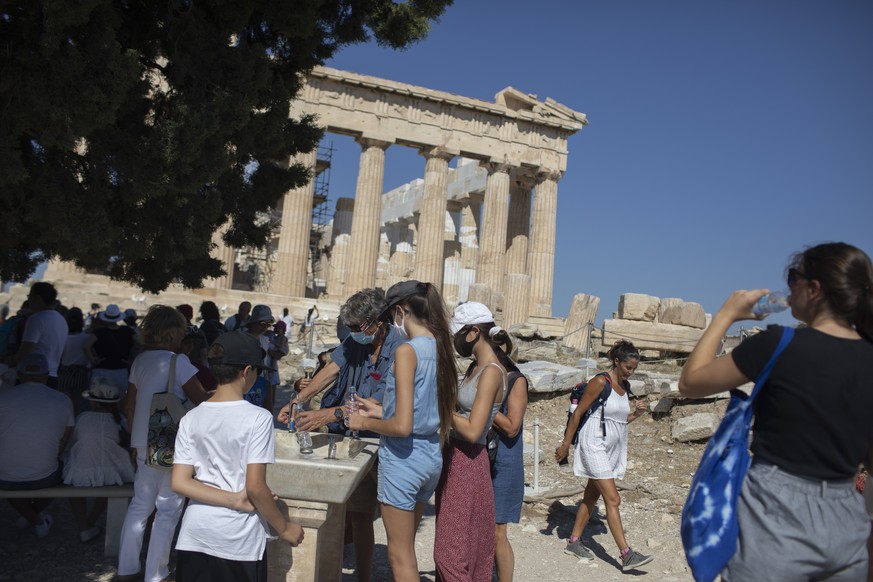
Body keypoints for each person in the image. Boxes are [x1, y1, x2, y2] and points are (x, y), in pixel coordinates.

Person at [678, 242, 873, 581]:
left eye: (793, 277)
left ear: (814, 289)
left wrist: (726, 314)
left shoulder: (778, 344)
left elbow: (691, 383)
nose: (789, 286)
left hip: (776, 511)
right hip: (847, 516)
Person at [276, 288, 404, 582]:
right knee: (358, 515)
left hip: (385, 441)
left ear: (377, 321)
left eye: (358, 327)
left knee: (392, 519)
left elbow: (383, 404)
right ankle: (362, 576)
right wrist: (300, 400)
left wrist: (328, 413)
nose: (354, 333)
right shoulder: (355, 340)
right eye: (351, 328)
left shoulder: (400, 350)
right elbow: (332, 368)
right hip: (353, 438)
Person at [348, 280, 458, 582]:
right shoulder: (440, 348)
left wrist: (363, 422)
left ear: (400, 311)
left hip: (403, 461)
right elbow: (423, 412)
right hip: (429, 457)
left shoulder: (407, 351)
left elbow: (402, 426)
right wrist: (380, 410)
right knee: (406, 548)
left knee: (399, 555)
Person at [172, 331, 304, 581]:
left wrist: (233, 498)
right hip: (237, 538)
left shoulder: (191, 417)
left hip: (195, 534)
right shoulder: (258, 418)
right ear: (247, 371)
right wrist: (285, 528)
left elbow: (180, 482)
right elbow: (255, 487)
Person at [116, 305, 209, 582]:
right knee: (168, 509)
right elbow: (201, 399)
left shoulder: (140, 361)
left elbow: (129, 404)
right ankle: (156, 573)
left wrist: (134, 440)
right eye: (181, 329)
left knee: (140, 506)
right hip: (170, 442)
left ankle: (126, 568)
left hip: (142, 441)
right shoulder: (177, 362)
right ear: (171, 333)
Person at [554, 340, 651, 572]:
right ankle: (627, 555)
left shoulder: (625, 387)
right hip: (593, 445)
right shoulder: (600, 382)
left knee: (590, 498)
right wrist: (566, 444)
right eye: (628, 367)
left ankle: (574, 542)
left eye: (634, 368)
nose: (631, 371)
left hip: (611, 449)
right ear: (616, 361)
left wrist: (636, 414)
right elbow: (578, 414)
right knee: (613, 499)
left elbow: (619, 421)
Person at [433, 302, 506, 581]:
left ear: (473, 332)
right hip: (456, 458)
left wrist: (439, 408)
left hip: (468, 461)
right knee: (464, 548)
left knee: (449, 554)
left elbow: (475, 430)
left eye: (458, 335)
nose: (456, 341)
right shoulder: (475, 368)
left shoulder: (490, 372)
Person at [0, 354, 74, 538]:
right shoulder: (63, 399)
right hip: (45, 476)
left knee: (11, 478)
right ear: (46, 374)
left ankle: (31, 517)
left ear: (19, 373)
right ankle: (36, 518)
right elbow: (61, 446)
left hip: (4, 477)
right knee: (63, 473)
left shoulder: (3, 397)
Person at [64, 376, 135, 543]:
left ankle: (83, 526)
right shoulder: (121, 422)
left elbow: (71, 445)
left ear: (93, 402)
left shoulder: (82, 419)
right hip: (114, 474)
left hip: (81, 474)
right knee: (110, 484)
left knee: (73, 485)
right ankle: (91, 522)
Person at [486, 326, 529, 582]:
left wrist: (483, 404)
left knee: (496, 532)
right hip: (477, 456)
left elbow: (512, 427)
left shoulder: (516, 380)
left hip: (504, 461)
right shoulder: (475, 371)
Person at [15, 282, 67, 388]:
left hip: (32, 375)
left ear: (38, 298)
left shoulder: (36, 319)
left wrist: (12, 360)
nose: (28, 300)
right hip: (52, 375)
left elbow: (27, 350)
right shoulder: (62, 320)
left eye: (30, 296)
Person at [85, 304, 136, 405]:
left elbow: (86, 346)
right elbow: (141, 343)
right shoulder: (127, 331)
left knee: (98, 402)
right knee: (120, 401)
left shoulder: (99, 331)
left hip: (101, 369)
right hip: (121, 369)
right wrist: (132, 360)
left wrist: (93, 360)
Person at [242, 304, 276, 412]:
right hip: (243, 380)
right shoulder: (242, 337)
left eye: (268, 324)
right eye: (262, 324)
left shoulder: (265, 340)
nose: (265, 327)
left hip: (260, 380)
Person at [58, 307, 91, 412]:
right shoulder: (87, 337)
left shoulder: (63, 337)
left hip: (65, 372)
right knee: (77, 406)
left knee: (64, 404)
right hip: (80, 372)